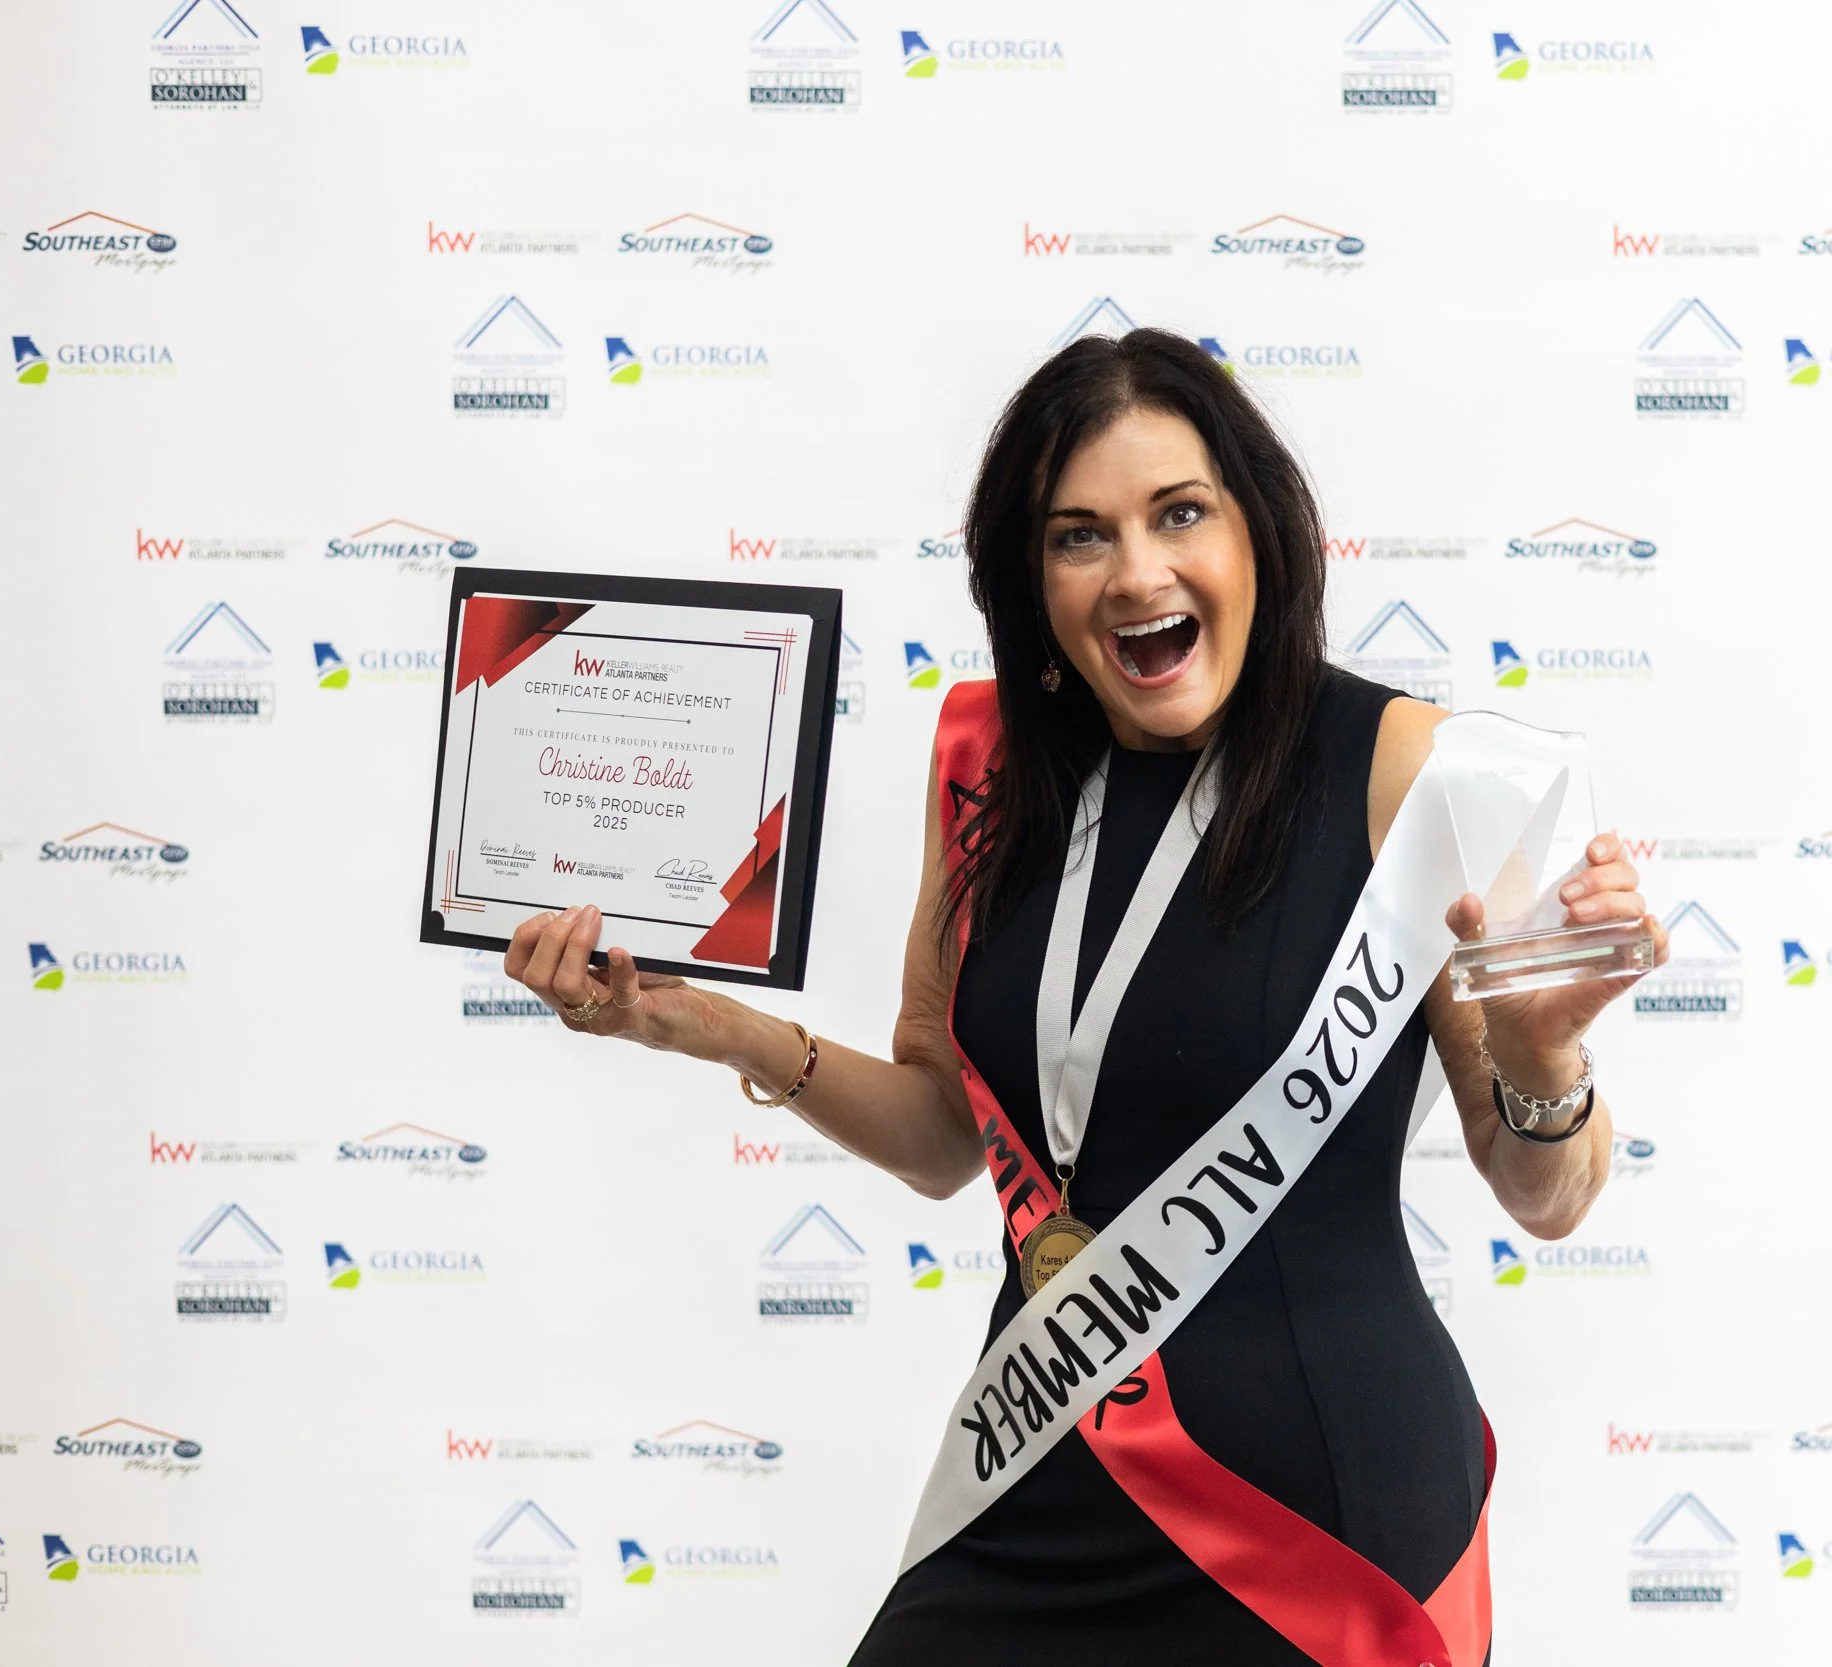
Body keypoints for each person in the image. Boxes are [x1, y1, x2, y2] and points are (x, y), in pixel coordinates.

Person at [503, 328, 1668, 1665]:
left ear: (1259, 535)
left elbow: (1550, 1193)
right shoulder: (988, 769)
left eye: (1181, 514)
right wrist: (684, 1017)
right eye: (1080, 536)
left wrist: (1538, 1057)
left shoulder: (1414, 775)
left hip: (1321, 1519)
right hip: (1044, 1463)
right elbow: (948, 1132)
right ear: (1030, 577)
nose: (1138, 573)